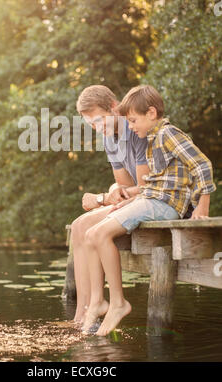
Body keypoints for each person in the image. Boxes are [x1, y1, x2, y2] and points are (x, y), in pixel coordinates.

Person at [82, 84, 216, 336]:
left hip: (164, 205)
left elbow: (203, 165)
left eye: (133, 121)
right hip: (152, 200)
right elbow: (157, 183)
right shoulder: (153, 140)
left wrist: (202, 206)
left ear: (151, 113)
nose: (130, 127)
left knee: (99, 235)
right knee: (90, 235)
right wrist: (128, 197)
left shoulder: (168, 134)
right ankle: (99, 301)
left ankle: (119, 303)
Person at [71, 85, 149, 325]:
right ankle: (83, 311)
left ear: (114, 108)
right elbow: (123, 186)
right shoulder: (109, 138)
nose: (97, 128)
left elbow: (146, 186)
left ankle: (94, 306)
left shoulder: (136, 130)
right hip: (133, 198)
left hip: (151, 199)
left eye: (99, 120)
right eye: (91, 124)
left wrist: (104, 198)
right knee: (78, 226)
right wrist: (113, 193)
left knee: (88, 224)